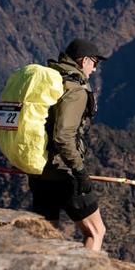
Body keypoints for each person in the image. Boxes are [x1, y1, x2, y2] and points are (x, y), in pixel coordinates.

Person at [28, 38, 109, 252]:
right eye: (94, 62)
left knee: (45, 236)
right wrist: (80, 171)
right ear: (83, 61)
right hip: (64, 173)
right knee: (95, 231)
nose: (95, 68)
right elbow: (63, 136)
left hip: (38, 172)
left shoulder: (49, 81)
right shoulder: (75, 90)